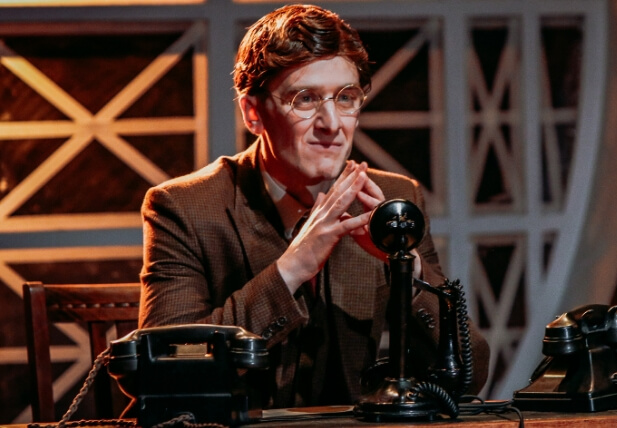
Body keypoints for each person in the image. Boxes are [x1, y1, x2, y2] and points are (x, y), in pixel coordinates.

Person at [138, 4, 489, 408]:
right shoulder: (184, 207)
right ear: (253, 113)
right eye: (305, 99)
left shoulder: (393, 198)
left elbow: (471, 375)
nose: (332, 124)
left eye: (346, 98)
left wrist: (406, 274)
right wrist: (291, 270)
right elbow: (163, 372)